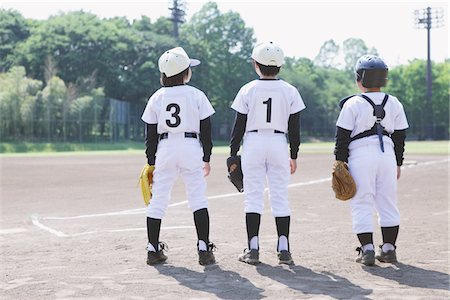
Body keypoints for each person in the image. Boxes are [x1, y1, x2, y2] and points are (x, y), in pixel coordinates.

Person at [229, 41, 306, 265]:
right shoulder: (290, 90)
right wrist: (294, 155)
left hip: (253, 141)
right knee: (279, 196)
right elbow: (295, 128)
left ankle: (252, 249)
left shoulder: (248, 89)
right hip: (278, 142)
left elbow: (238, 125)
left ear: (255, 64)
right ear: (280, 66)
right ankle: (284, 248)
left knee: (253, 196)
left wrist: (233, 153)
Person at [141, 47, 216, 266]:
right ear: (185, 73)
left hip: (165, 147)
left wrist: (151, 163)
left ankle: (152, 249)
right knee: (197, 197)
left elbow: (150, 135)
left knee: (159, 199)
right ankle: (204, 248)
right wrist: (207, 157)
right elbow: (207, 129)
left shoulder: (156, 97)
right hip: (191, 145)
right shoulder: (196, 94)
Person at [334, 55, 409, 266]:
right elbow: (400, 136)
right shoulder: (394, 102)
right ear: (384, 79)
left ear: (359, 79)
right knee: (387, 201)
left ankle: (367, 249)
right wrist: (397, 163)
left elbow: (341, 138)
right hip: (387, 155)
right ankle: (388, 249)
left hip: (360, 154)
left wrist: (340, 163)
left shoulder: (352, 103)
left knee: (361, 201)